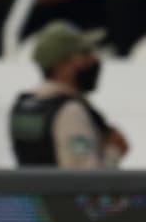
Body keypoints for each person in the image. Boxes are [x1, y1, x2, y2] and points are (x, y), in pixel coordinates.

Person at [9, 20, 128, 168]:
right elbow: (86, 180)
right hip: (61, 191)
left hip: (31, 190)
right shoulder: (69, 111)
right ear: (62, 65)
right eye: (85, 54)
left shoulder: (24, 104)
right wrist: (114, 151)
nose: (94, 59)